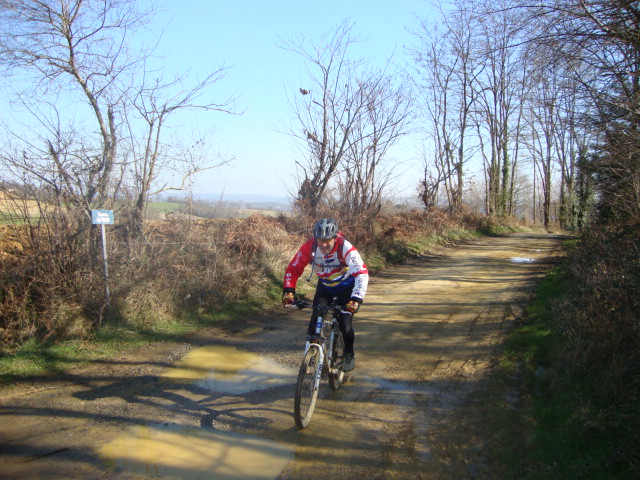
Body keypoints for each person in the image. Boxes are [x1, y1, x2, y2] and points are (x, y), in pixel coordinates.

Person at [282, 218, 369, 372]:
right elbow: (293, 269)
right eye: (320, 240)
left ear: (335, 238)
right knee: (315, 319)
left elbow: (361, 273)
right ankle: (312, 354)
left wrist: (356, 299)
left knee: (345, 324)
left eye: (327, 240)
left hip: (346, 288)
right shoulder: (309, 247)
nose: (323, 245)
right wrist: (289, 291)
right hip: (325, 287)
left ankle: (349, 354)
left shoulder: (345, 247)